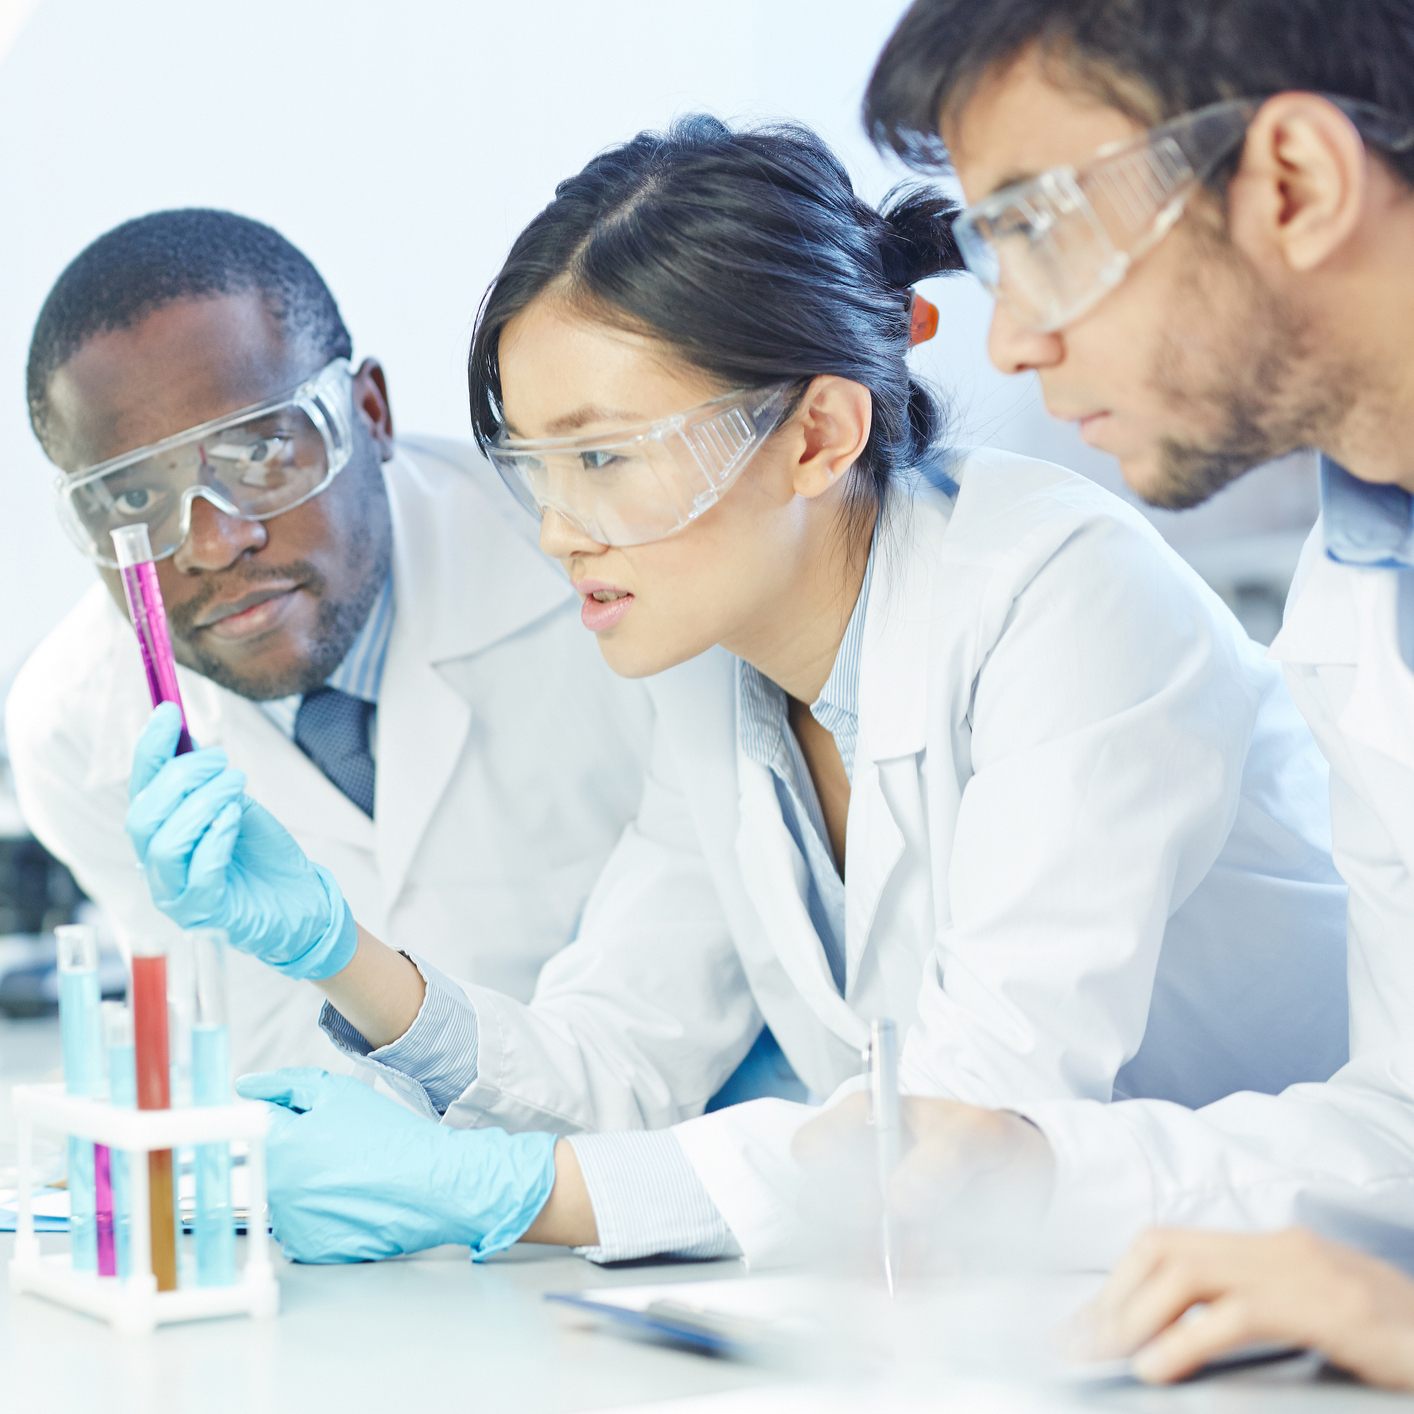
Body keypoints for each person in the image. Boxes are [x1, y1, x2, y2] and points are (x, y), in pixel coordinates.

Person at [124, 117, 1346, 1268]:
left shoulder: (1064, 595)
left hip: (1307, 1280)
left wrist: (504, 1195)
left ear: (818, 434)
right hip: (1065, 1308)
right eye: (533, 465)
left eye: (600, 457)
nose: (555, 529)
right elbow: (616, 1061)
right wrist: (342, 952)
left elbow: (956, 1137)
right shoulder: (725, 677)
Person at [856, 0, 1414, 1387]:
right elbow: (1404, 1132)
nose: (1009, 344)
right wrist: (1036, 1165)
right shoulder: (1363, 581)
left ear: (1293, 181)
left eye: (1037, 228)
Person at [8, 209, 652, 1074]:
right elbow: (255, 1057)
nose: (211, 542)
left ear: (369, 413)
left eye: (263, 449)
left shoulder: (599, 564)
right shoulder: (74, 730)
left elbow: (683, 1009)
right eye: (131, 502)